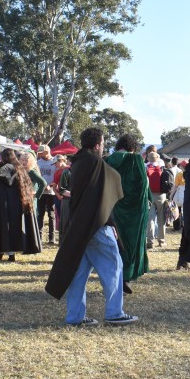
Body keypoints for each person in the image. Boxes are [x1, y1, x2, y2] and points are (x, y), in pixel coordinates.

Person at [45, 127, 138, 326]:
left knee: (79, 273)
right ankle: (114, 313)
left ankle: (75, 317)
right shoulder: (96, 163)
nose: (103, 147)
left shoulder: (77, 162)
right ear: (97, 145)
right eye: (103, 144)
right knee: (114, 268)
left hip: (79, 226)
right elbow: (111, 183)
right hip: (96, 225)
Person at [105, 134, 151, 288]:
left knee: (116, 240)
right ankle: (127, 276)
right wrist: (146, 203)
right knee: (132, 241)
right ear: (133, 146)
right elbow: (143, 184)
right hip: (135, 210)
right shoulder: (136, 160)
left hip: (114, 206)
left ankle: (114, 273)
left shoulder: (108, 160)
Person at [0, 149, 41, 262]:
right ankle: (11, 254)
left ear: (2, 157)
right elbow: (26, 188)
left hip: (1, 205)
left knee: (1, 227)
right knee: (14, 228)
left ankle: (0, 253)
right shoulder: (20, 170)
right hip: (16, 205)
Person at [35, 144, 58, 244]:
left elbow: (57, 177)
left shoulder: (54, 162)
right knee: (40, 214)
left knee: (51, 215)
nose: (39, 154)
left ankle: (51, 238)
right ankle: (39, 237)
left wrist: (51, 185)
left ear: (47, 152)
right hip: (40, 192)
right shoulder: (37, 162)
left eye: (41, 153)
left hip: (51, 192)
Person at [146, 152, 167, 247]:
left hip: (149, 195)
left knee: (150, 219)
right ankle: (161, 241)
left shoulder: (145, 167)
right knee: (161, 218)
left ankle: (150, 241)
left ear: (148, 158)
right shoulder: (162, 167)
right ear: (157, 158)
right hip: (161, 195)